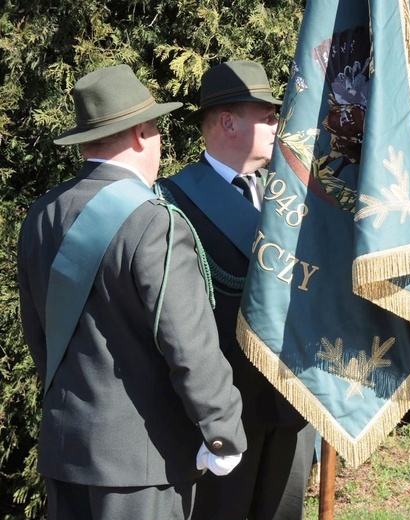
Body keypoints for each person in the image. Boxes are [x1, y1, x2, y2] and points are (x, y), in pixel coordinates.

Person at [17, 64, 247, 520]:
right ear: (142, 134)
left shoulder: (42, 213)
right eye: (157, 128)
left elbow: (40, 336)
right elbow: (189, 345)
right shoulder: (154, 220)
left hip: (66, 451)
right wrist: (222, 431)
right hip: (143, 464)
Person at [157, 60, 316, 520]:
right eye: (266, 115)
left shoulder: (294, 196)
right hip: (225, 413)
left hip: (293, 405)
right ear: (228, 121)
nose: (276, 124)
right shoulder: (172, 201)